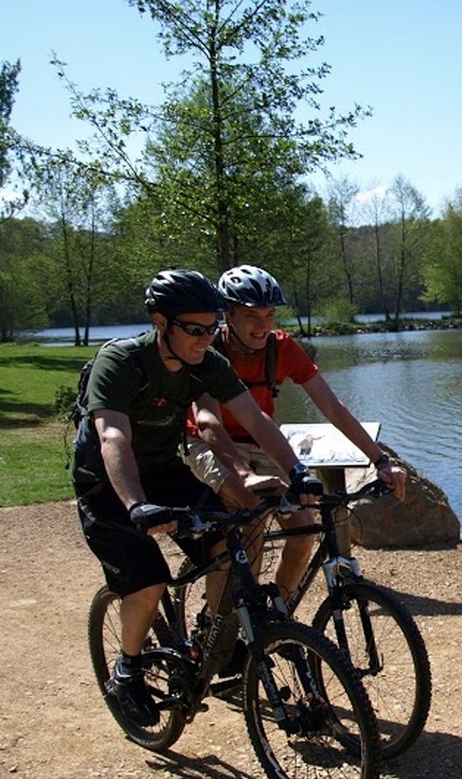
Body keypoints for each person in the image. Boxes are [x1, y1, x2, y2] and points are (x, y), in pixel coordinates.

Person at [72, 269, 324, 727]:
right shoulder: (121, 362)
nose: (205, 338)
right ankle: (127, 671)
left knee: (231, 546)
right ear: (160, 321)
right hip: (107, 485)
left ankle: (214, 640)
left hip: (164, 472)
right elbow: (113, 436)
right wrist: (136, 506)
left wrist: (297, 471)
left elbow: (255, 418)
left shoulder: (206, 362)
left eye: (211, 328)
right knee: (147, 582)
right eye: (194, 329)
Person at [183, 264, 407, 602]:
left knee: (304, 531)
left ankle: (277, 616)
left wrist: (380, 460)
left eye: (270, 315)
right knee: (252, 519)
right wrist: (244, 475)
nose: (263, 326)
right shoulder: (211, 351)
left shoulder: (282, 348)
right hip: (208, 444)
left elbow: (333, 407)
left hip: (260, 442)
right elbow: (207, 424)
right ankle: (233, 625)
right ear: (227, 314)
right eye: (252, 316)